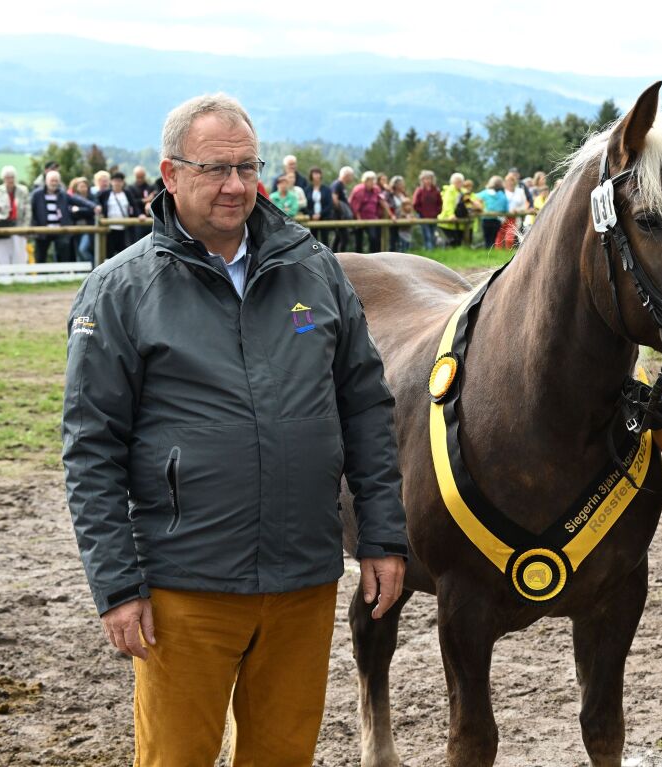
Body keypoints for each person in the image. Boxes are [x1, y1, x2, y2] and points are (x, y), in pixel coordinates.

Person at [61, 92, 407, 765]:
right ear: (169, 173)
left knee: (284, 755)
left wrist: (383, 536)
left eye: (248, 168)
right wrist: (117, 586)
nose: (236, 186)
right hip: (182, 588)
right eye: (216, 169)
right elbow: (91, 450)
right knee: (176, 757)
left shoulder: (316, 272)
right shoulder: (120, 292)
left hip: (302, 580)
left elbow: (366, 407)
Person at [30, 169, 95, 263]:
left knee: (63, 255)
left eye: (56, 181)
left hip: (60, 230)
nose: (54, 183)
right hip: (42, 231)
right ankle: (39, 277)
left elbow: (78, 200)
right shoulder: (37, 194)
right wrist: (33, 225)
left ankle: (63, 276)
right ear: (46, 181)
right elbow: (30, 209)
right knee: (40, 256)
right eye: (52, 180)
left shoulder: (63, 194)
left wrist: (93, 206)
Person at [96, 171, 146, 258]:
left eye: (119, 181)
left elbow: (134, 205)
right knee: (108, 254)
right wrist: (98, 207)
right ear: (111, 182)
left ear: (123, 182)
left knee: (124, 254)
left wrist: (140, 215)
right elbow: (96, 201)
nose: (117, 183)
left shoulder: (127, 193)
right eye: (115, 181)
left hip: (124, 229)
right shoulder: (106, 194)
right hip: (109, 229)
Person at [349, 170, 392, 253]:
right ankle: (358, 259)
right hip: (359, 218)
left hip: (372, 218)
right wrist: (359, 220)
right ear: (365, 181)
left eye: (373, 180)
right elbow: (355, 207)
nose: (372, 182)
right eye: (370, 180)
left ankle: (375, 256)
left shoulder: (376, 189)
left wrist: (391, 214)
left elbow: (382, 201)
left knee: (374, 238)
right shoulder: (358, 190)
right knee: (359, 241)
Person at [0, 166, 31, 266]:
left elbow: (28, 211)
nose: (10, 180)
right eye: (7, 177)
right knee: (2, 254)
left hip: (19, 226)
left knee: (20, 255)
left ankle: (20, 278)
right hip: (3, 227)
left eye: (12, 177)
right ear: (4, 178)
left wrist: (26, 228)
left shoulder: (23, 190)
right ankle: (4, 279)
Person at [67, 177, 98, 264]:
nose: (83, 188)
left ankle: (95, 267)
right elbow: (70, 212)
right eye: (81, 186)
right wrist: (84, 211)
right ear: (77, 188)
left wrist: (79, 210)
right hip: (76, 228)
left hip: (89, 229)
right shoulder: (73, 198)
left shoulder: (92, 198)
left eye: (85, 186)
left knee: (83, 249)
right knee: (78, 252)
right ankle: (81, 273)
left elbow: (91, 212)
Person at [412, 169, 442, 251]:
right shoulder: (420, 191)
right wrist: (421, 212)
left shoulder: (436, 190)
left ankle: (433, 251)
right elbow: (415, 204)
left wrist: (437, 212)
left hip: (434, 216)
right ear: (422, 180)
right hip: (423, 217)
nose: (428, 181)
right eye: (426, 179)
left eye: (429, 178)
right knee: (427, 235)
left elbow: (439, 203)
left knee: (433, 234)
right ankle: (429, 251)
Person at [476, 175, 508, 249]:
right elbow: (505, 209)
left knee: (487, 238)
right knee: (493, 239)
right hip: (497, 219)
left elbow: (473, 198)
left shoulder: (484, 194)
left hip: (486, 219)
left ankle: (487, 253)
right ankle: (491, 253)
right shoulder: (502, 195)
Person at [330, 165, 356, 252]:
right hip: (338, 216)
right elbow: (334, 198)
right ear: (346, 175)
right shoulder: (337, 184)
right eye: (351, 176)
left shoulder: (341, 185)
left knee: (339, 237)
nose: (352, 178)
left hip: (340, 216)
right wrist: (341, 212)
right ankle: (339, 256)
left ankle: (334, 255)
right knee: (344, 238)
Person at [437, 172, 466, 247]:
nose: (459, 183)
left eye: (460, 182)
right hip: (447, 221)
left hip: (459, 222)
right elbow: (447, 204)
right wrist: (451, 214)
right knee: (452, 241)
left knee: (458, 241)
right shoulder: (450, 191)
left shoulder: (463, 191)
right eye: (457, 181)